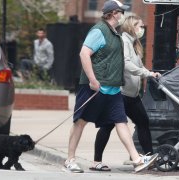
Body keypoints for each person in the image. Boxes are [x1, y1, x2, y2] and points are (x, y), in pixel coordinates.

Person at [63, 0, 158, 173]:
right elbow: (84, 53)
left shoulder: (114, 33)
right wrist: (92, 80)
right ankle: (70, 159)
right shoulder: (99, 31)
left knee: (121, 122)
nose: (123, 15)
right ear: (114, 13)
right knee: (80, 122)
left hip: (113, 89)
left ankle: (136, 159)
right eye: (122, 12)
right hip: (95, 87)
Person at [90, 15, 161, 171]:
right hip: (120, 93)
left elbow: (139, 65)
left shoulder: (135, 44)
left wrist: (149, 73)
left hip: (132, 95)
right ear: (130, 26)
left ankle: (149, 158)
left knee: (143, 122)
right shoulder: (123, 41)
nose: (142, 29)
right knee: (107, 126)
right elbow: (126, 64)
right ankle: (96, 161)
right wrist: (146, 74)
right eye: (139, 26)